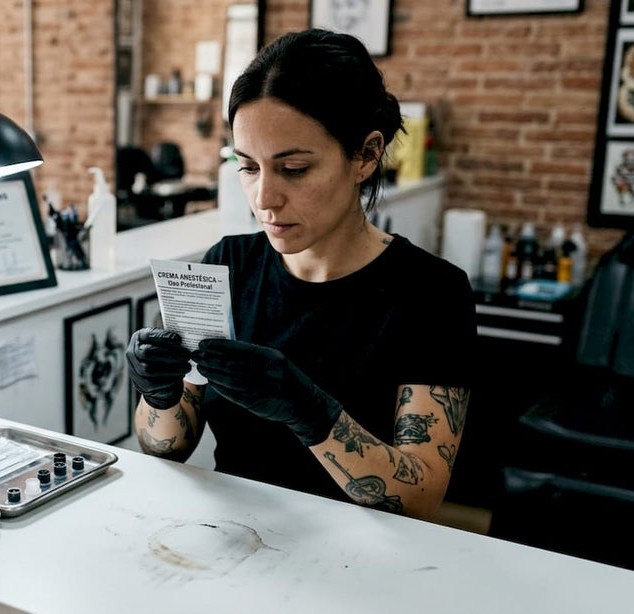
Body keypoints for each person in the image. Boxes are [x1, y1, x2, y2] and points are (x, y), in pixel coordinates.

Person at [127, 29, 477, 520]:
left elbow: (419, 497)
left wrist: (307, 409)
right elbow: (168, 447)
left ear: (366, 155)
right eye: (248, 168)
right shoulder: (227, 265)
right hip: (238, 543)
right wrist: (159, 394)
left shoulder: (430, 293)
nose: (264, 199)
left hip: (365, 566)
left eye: (293, 169)